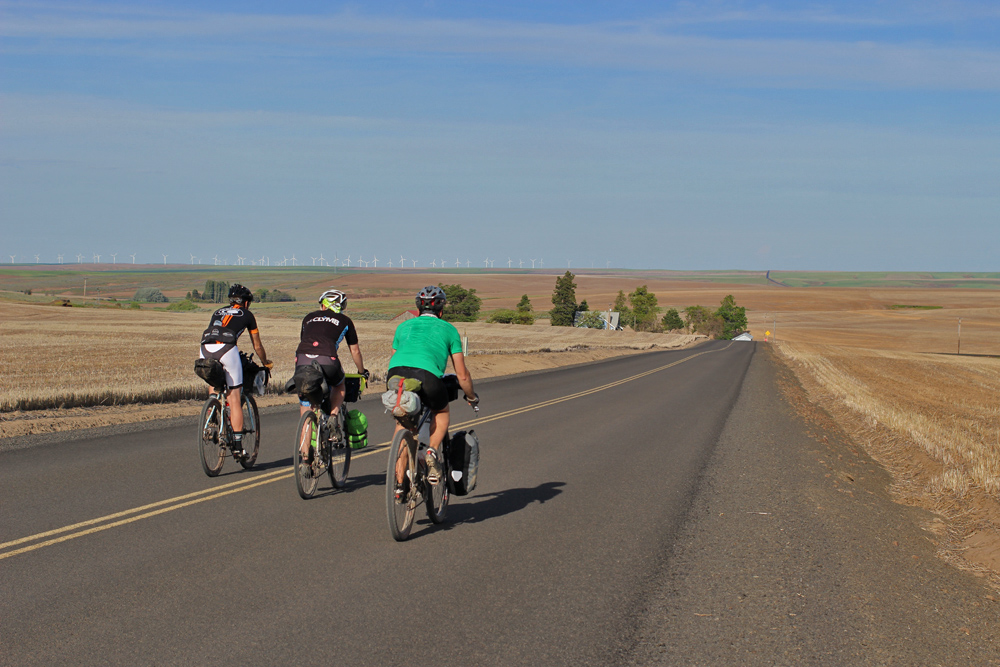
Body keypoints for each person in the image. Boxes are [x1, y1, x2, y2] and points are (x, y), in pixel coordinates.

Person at [386, 285, 478, 487]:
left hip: (396, 374)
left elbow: (395, 357)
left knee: (402, 423)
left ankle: (399, 484)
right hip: (427, 377)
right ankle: (431, 451)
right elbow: (462, 374)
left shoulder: (403, 327)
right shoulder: (449, 330)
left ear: (418, 310)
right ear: (441, 311)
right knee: (441, 410)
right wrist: (471, 397)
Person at [200, 284, 272, 458]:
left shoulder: (217, 312)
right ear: (246, 303)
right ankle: (238, 446)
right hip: (227, 349)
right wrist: (266, 362)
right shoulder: (247, 314)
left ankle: (212, 410)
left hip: (205, 348)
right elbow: (257, 345)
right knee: (234, 397)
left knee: (214, 381)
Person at [294, 289, 368, 460]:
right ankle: (333, 415)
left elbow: (304, 341)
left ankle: (305, 458)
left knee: (305, 407)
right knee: (339, 384)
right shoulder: (345, 320)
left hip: (302, 359)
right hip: (328, 359)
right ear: (340, 306)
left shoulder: (308, 317)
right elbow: (355, 350)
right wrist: (361, 372)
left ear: (323, 304)